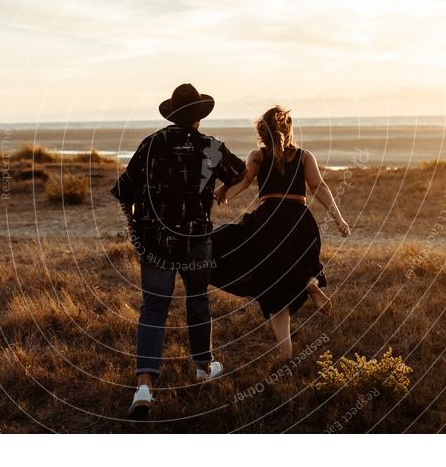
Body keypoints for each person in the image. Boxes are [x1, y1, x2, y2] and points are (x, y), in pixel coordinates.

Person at [110, 83, 246, 419]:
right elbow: (243, 172)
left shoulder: (151, 144)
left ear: (172, 114)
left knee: (153, 308)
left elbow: (124, 191)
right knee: (197, 300)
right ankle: (202, 367)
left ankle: (144, 386)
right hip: (197, 241)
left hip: (155, 242)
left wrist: (134, 227)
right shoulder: (212, 148)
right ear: (199, 117)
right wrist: (224, 191)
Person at [211, 105, 351, 364]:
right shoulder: (304, 156)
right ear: (289, 129)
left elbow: (242, 180)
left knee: (270, 288)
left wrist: (223, 192)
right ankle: (309, 282)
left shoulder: (258, 156)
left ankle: (286, 353)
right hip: (300, 224)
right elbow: (318, 186)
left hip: (268, 225)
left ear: (262, 133)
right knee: (299, 268)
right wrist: (339, 219)